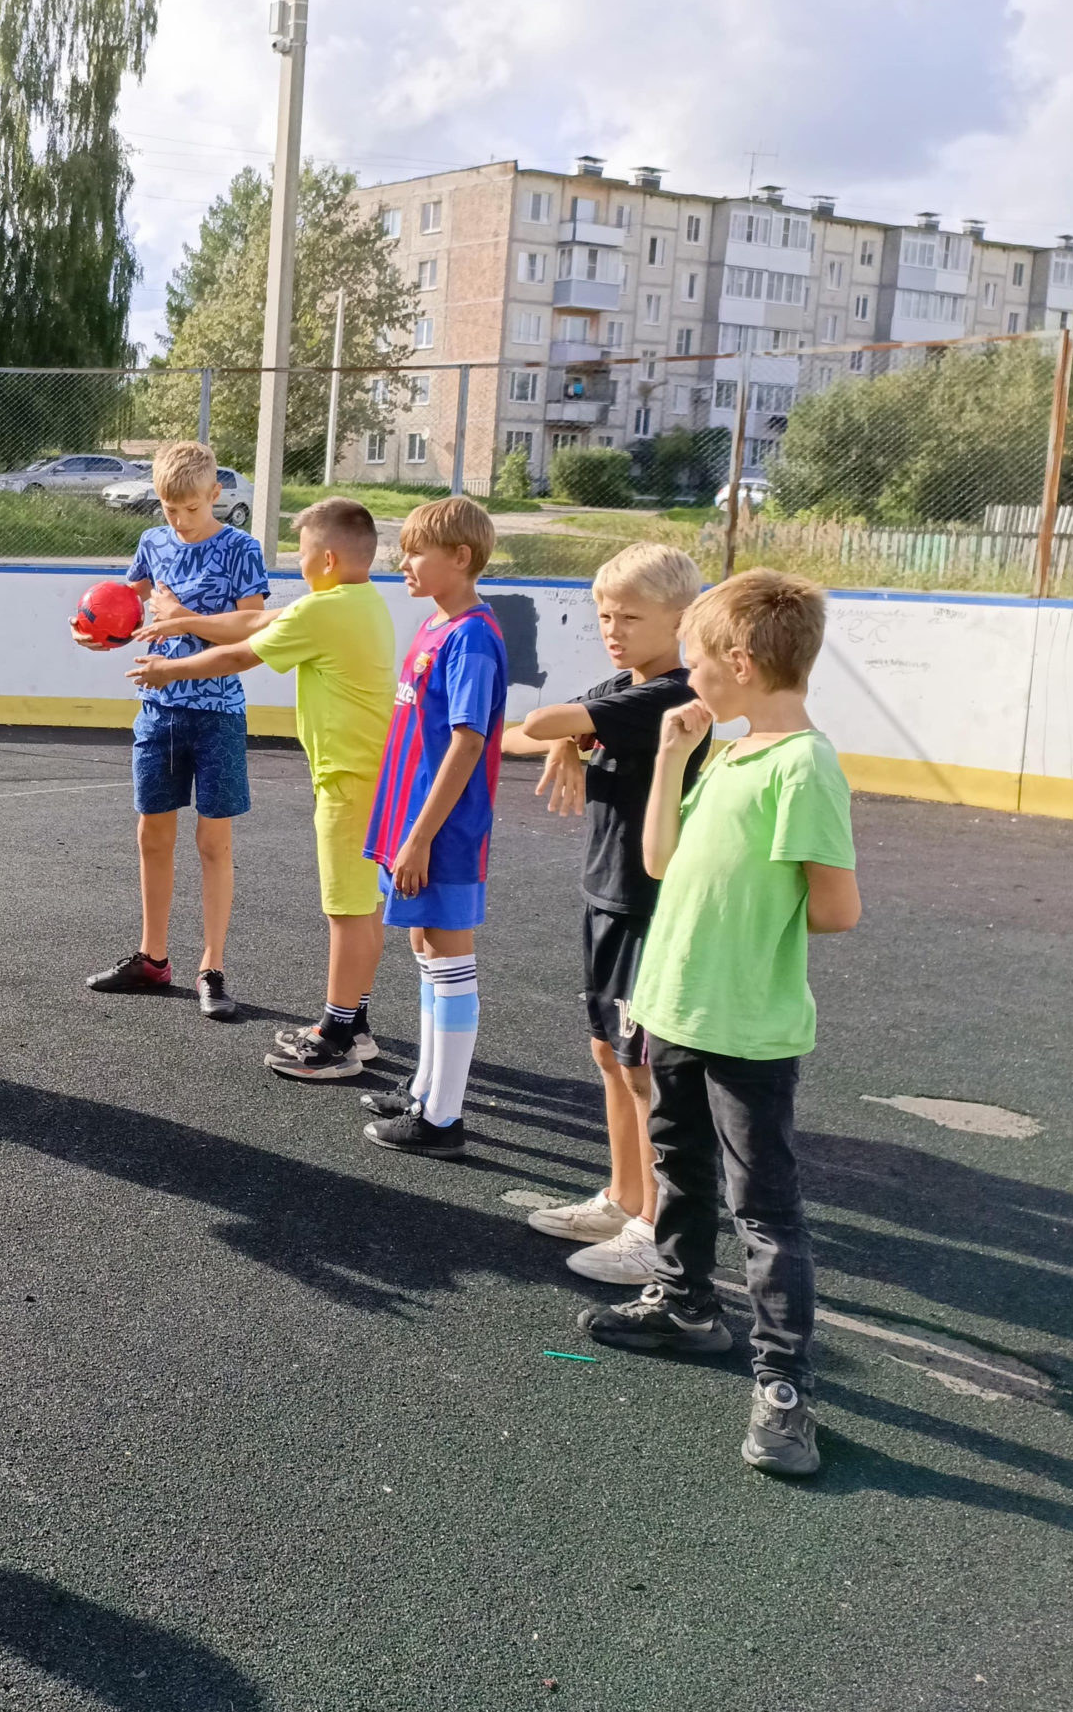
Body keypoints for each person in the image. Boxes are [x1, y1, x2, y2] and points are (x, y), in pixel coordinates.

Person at [581, 570, 859, 1480]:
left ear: (740, 663)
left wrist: (749, 919)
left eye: (697, 661)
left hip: (747, 1026)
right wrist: (669, 756)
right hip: (676, 1009)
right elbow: (657, 858)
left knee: (766, 1211)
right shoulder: (727, 753)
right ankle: (685, 1304)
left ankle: (782, 1384)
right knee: (680, 1169)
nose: (687, 677)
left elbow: (835, 909)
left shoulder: (803, 765)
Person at [128, 495, 398, 1072]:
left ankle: (337, 1037)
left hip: (349, 782)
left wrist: (165, 668)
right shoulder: (359, 601)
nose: (296, 564)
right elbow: (252, 620)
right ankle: (359, 1024)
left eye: (301, 553)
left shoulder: (321, 611)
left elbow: (238, 655)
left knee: (347, 914)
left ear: (325, 559)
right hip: (372, 777)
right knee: (364, 909)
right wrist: (180, 619)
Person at [500, 543, 705, 1283]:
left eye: (630, 617)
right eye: (605, 615)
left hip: (651, 905)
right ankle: (623, 1197)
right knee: (607, 1054)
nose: (612, 629)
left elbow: (549, 716)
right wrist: (564, 738)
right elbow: (529, 733)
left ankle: (658, 1227)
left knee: (643, 1068)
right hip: (606, 895)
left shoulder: (673, 696)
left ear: (681, 620)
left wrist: (569, 733)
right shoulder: (624, 684)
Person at [76, 440, 271, 1019]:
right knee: (152, 836)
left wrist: (182, 617)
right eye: (168, 508)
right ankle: (152, 957)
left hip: (218, 717)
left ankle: (211, 967)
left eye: (190, 507)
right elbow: (123, 602)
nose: (179, 520)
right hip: (156, 712)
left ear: (215, 494)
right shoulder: (153, 542)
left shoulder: (241, 549)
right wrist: (90, 625)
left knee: (213, 843)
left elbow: (251, 630)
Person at [358, 496, 508, 1158]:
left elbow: (468, 742)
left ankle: (443, 1118)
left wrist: (420, 835)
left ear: (461, 557)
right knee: (426, 946)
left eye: (416, 551)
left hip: (441, 831)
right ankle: (425, 1091)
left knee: (448, 954)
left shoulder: (472, 635)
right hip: (413, 824)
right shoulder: (435, 627)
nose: (403, 561)